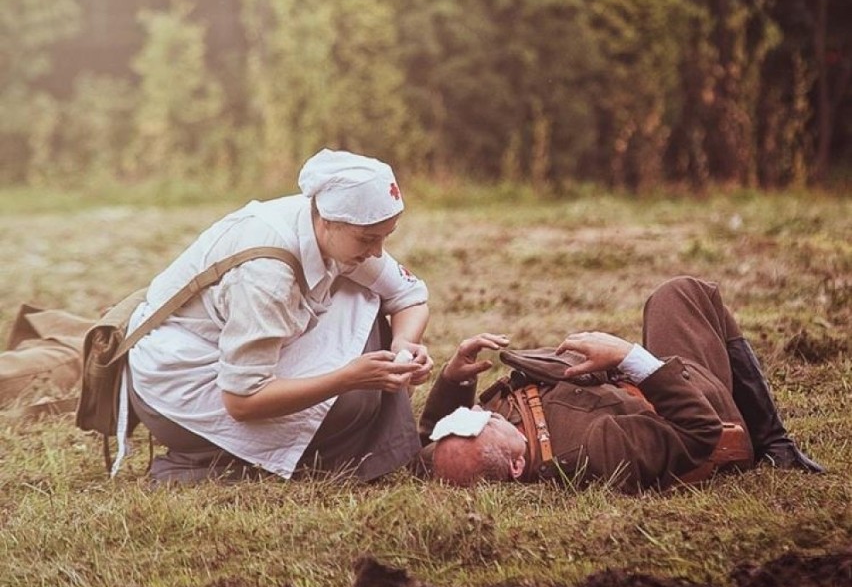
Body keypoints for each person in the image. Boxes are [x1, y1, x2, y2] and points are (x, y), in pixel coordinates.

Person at [126, 149, 433, 484]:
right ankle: (206, 459)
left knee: (365, 297)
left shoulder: (328, 225)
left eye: (385, 237)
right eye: (368, 239)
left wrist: (405, 341)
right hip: (179, 386)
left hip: (229, 352)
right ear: (327, 221)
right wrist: (347, 378)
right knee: (349, 402)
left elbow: (409, 295)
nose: (377, 251)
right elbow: (242, 400)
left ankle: (343, 436)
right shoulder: (267, 276)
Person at [418, 276, 824, 491]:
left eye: (459, 423)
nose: (474, 413)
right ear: (517, 465)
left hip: (622, 380)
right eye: (479, 424)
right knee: (686, 293)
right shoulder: (597, 452)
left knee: (672, 294)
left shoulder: (467, 453)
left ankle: (778, 445)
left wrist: (454, 378)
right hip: (692, 400)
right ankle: (774, 443)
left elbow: (421, 447)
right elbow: (699, 432)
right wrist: (630, 359)